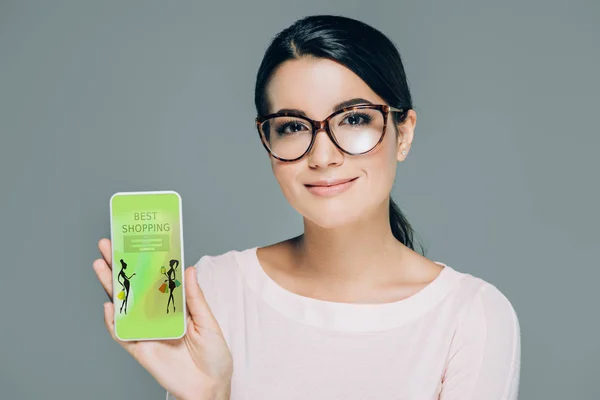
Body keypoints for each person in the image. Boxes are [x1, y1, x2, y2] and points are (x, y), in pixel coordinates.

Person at [93, 14, 521, 400]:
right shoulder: (212, 293)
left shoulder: (472, 317)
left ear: (402, 132)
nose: (322, 156)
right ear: (268, 142)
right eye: (294, 127)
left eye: (353, 119)